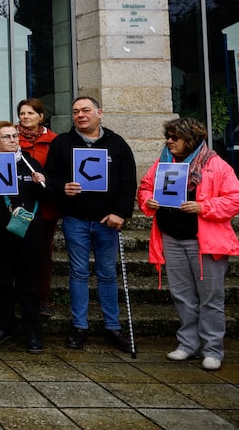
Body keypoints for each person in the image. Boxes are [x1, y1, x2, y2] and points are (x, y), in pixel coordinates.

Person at [138, 118, 239, 371]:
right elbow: (146, 187)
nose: (169, 141)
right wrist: (148, 200)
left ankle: (212, 350)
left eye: (175, 137)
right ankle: (188, 344)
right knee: (182, 295)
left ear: (190, 140)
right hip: (171, 238)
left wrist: (203, 207)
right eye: (168, 136)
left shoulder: (216, 164)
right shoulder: (163, 162)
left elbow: (234, 199)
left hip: (204, 242)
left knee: (210, 298)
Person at [44, 95, 136, 352]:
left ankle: (112, 327)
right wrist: (62, 187)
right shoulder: (62, 143)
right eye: (75, 111)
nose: (80, 115)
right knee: (78, 273)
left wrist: (120, 213)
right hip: (76, 220)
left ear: (99, 113)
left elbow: (129, 183)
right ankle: (79, 326)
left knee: (107, 274)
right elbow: (50, 177)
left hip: (107, 221)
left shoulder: (117, 144)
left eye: (85, 110)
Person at [0, 120, 48, 354]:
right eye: (7, 137)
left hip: (28, 231)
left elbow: (47, 196)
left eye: (15, 136)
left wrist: (41, 183)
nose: (13, 140)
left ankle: (32, 330)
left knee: (28, 281)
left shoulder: (30, 164)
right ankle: (4, 326)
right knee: (3, 281)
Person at [16, 98, 60, 317]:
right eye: (22, 113)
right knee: (18, 254)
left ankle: (41, 299)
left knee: (43, 255)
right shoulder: (12, 139)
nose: (26, 117)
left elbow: (59, 171)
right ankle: (19, 297)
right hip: (19, 206)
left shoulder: (54, 141)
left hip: (45, 207)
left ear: (41, 116)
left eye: (31, 113)